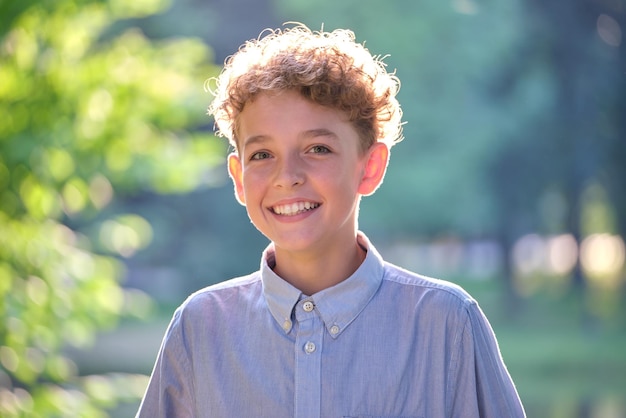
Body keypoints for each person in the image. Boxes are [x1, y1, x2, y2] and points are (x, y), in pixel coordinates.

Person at [136, 23, 526, 418]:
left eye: (317, 148)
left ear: (369, 166)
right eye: (262, 155)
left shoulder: (446, 324)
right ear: (238, 178)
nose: (287, 175)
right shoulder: (200, 328)